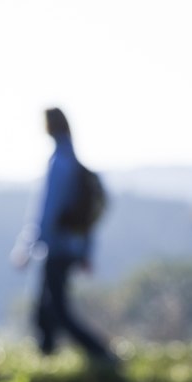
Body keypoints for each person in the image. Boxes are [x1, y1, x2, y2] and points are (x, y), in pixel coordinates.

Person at [12, 108, 117, 366]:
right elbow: (87, 216)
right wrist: (85, 251)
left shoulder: (59, 162)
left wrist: (28, 245)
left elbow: (48, 208)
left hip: (56, 246)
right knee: (45, 309)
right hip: (72, 246)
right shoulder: (76, 163)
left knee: (57, 310)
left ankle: (101, 354)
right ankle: (46, 359)